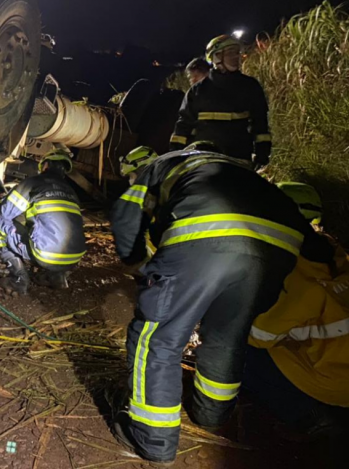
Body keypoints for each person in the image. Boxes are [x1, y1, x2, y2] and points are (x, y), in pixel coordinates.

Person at [108, 146, 326, 465]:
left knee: (157, 338)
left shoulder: (161, 165)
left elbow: (126, 214)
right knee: (227, 338)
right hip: (278, 251)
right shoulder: (240, 173)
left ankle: (153, 440)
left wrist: (137, 262)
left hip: (207, 235)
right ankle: (211, 416)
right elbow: (311, 241)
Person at [244, 182, 349, 437]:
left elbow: (258, 336)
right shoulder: (337, 257)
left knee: (239, 351)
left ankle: (307, 413)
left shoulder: (298, 277)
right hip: (339, 365)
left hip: (333, 382)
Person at [0, 149, 86, 294]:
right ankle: (57, 277)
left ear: (45, 165)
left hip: (46, 255)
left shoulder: (33, 183)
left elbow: (3, 213)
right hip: (73, 259)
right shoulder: (71, 191)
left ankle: (19, 280)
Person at [169, 35, 272, 168]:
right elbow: (183, 127)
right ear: (215, 57)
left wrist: (262, 157)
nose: (236, 57)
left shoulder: (251, 87)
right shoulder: (197, 91)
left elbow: (260, 125)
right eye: (230, 53)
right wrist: (175, 156)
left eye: (237, 52)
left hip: (240, 159)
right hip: (205, 161)